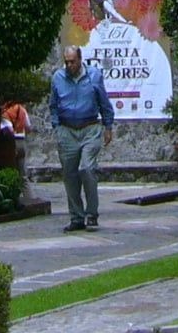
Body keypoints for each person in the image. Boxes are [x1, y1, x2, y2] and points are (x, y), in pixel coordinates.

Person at [49, 44, 114, 232]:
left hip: (90, 127)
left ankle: (91, 213)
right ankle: (76, 217)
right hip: (67, 129)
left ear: (80, 59)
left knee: (86, 168)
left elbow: (104, 103)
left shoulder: (93, 76)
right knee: (70, 175)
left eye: (73, 62)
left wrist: (108, 126)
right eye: (66, 62)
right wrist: (57, 126)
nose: (70, 65)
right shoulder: (58, 78)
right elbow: (53, 104)